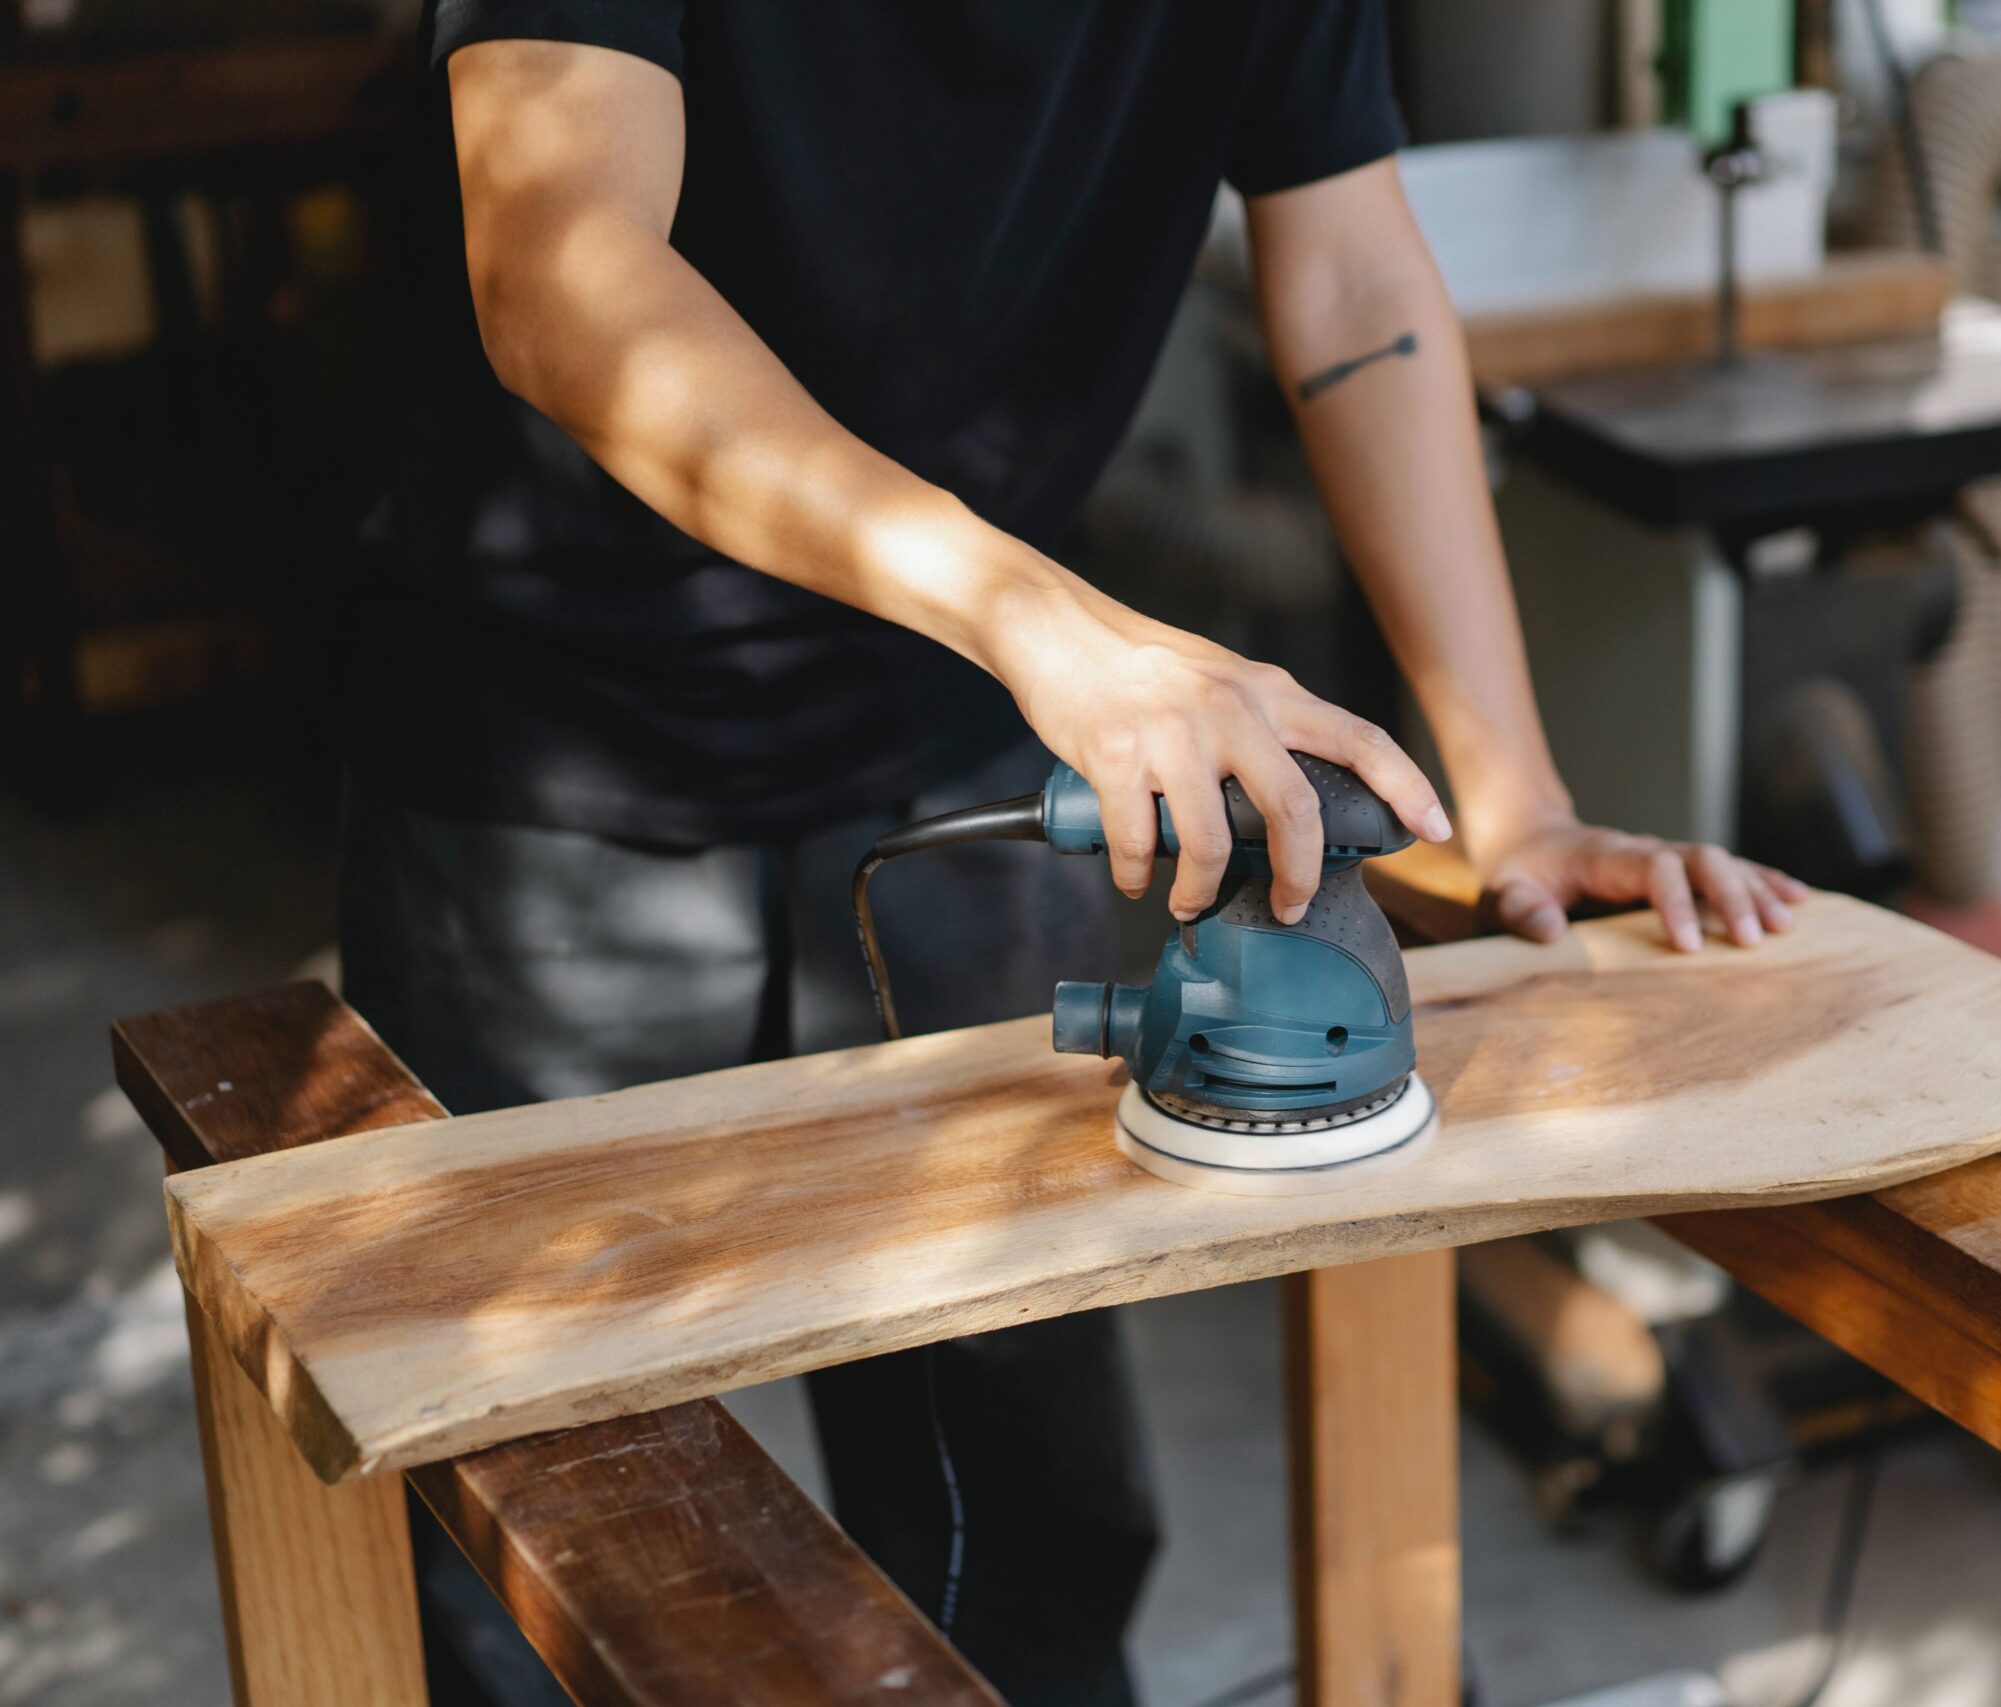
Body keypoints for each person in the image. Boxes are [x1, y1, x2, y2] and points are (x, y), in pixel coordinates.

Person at [341, 4, 1808, 1702]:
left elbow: (1350, 285)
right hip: (549, 754)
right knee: (526, 1524)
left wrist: (1515, 796)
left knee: (1025, 1514)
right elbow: (562, 271)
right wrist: (1043, 622)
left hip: (963, 720)